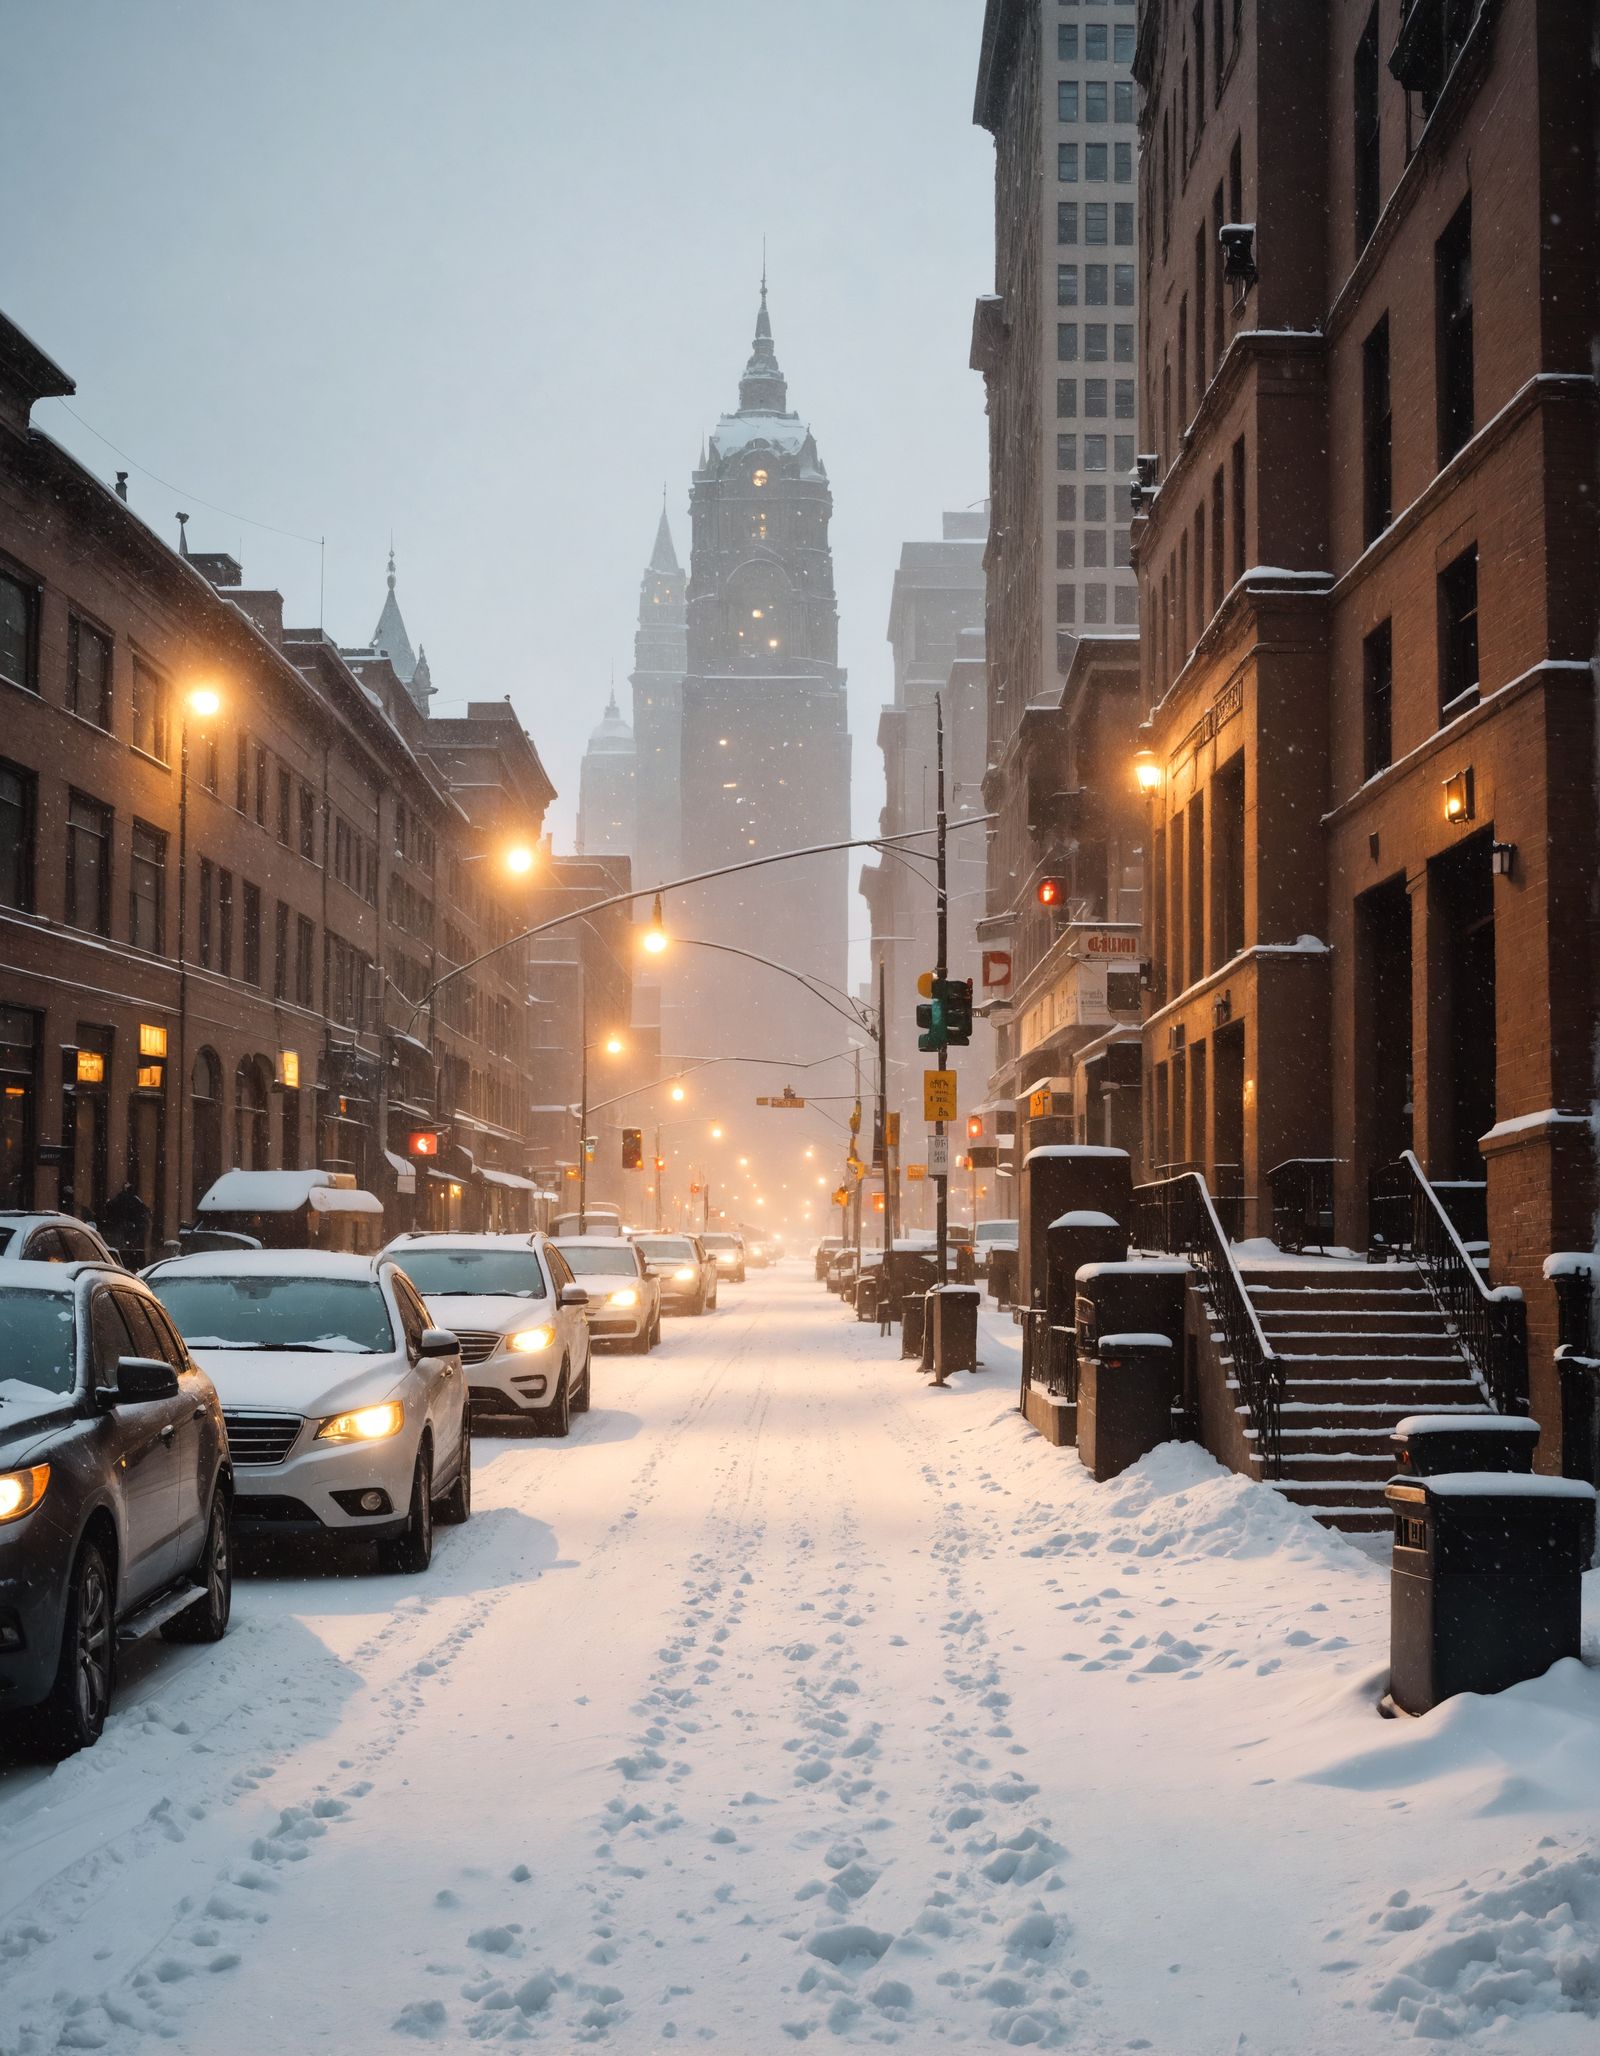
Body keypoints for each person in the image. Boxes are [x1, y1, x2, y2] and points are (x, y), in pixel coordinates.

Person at [100, 1180, 153, 1269]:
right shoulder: (135, 1200)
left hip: (127, 1232)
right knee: (131, 1253)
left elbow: (110, 1208)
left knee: (127, 1253)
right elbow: (145, 1212)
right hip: (130, 1232)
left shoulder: (127, 1200)